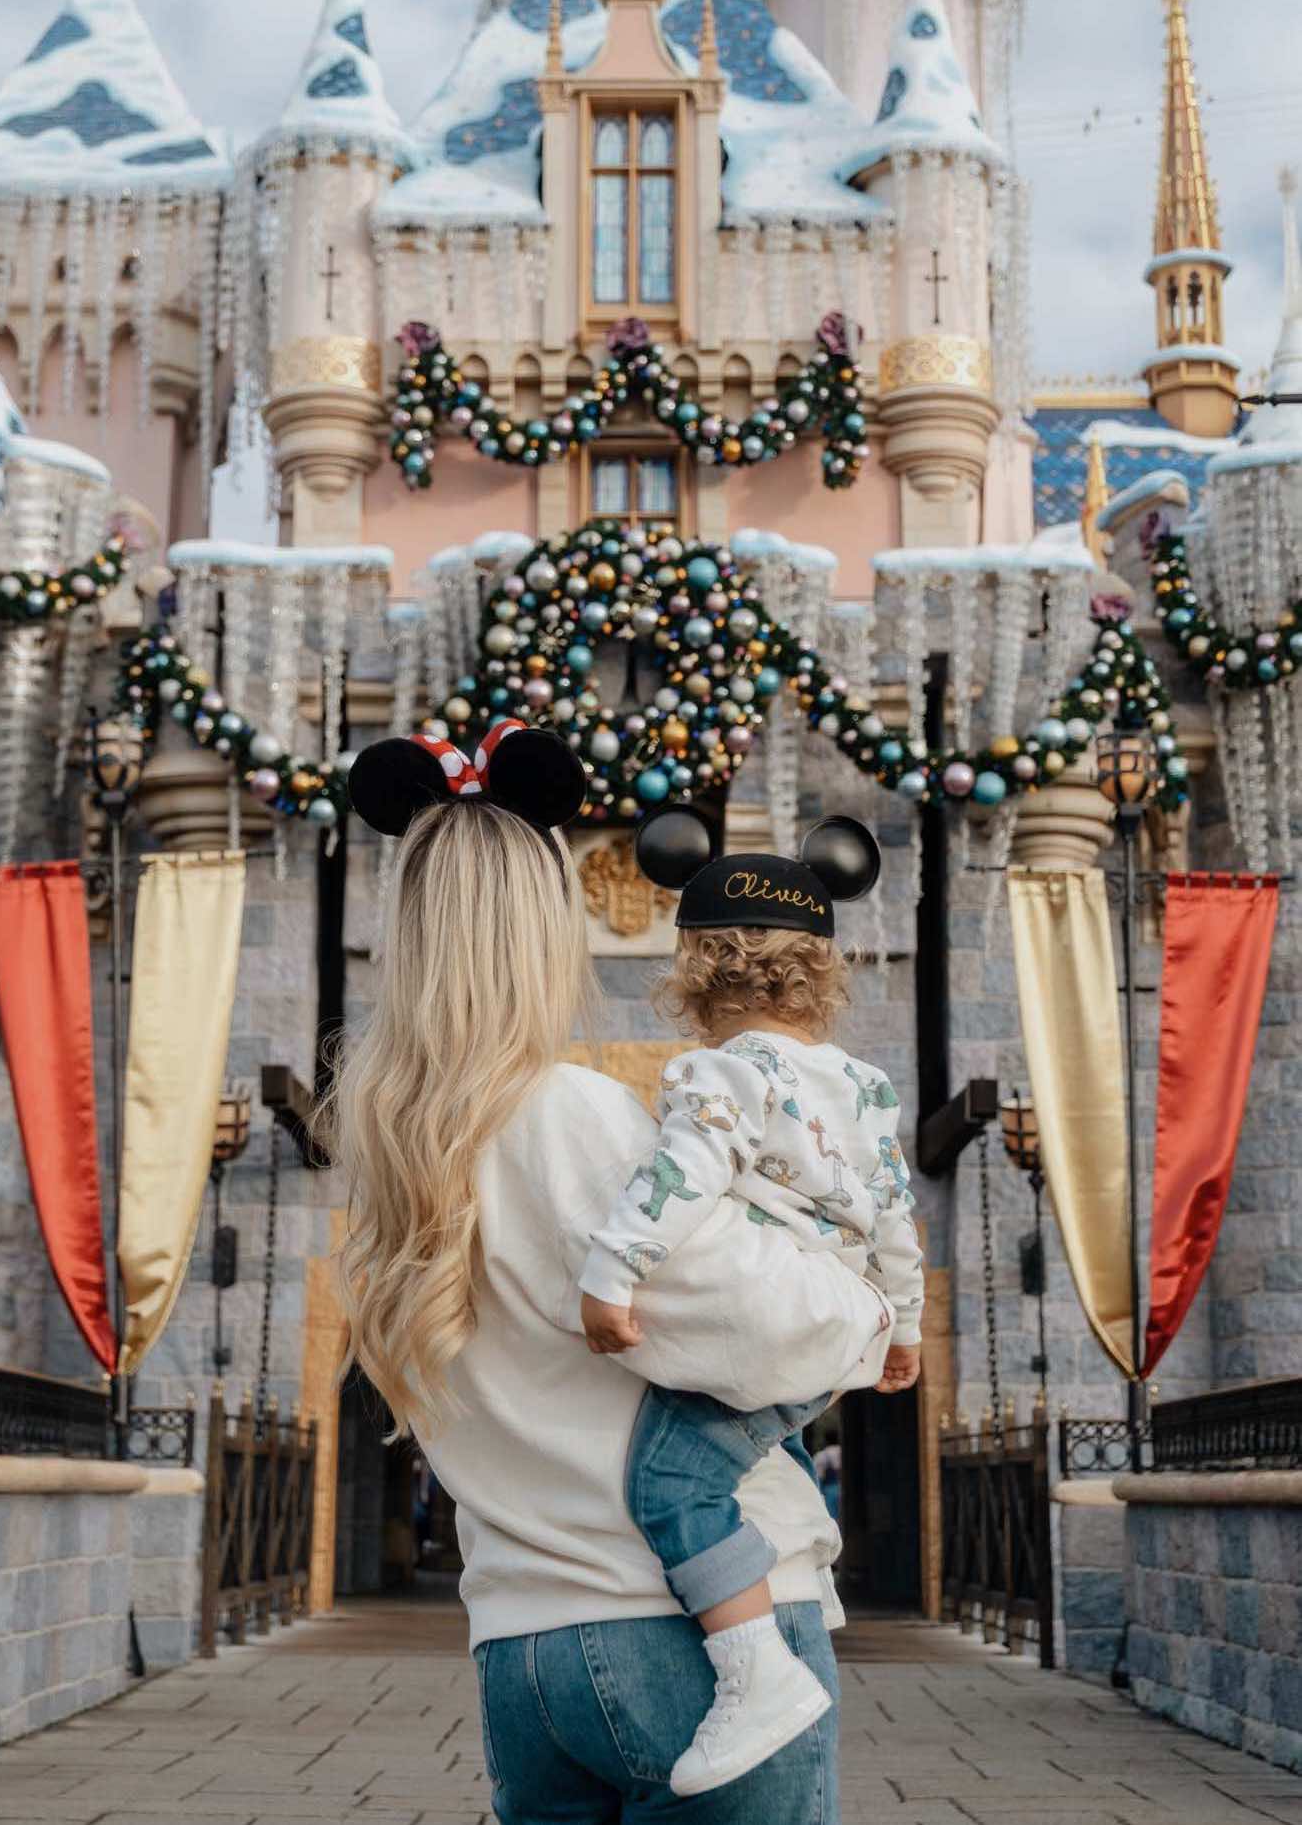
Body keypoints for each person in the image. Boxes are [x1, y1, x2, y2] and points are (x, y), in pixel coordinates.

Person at [331, 721, 896, 1825]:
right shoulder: (568, 1114)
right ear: (545, 932)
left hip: (523, 1651)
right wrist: (870, 1299)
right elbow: (761, 1329)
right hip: (688, 1636)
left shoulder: (396, 1152)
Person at [578, 834, 924, 1794]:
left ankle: (754, 1670)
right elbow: (895, 1215)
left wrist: (613, 1274)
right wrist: (906, 1328)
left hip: (768, 1319)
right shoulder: (866, 1087)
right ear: (820, 975)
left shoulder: (717, 1073)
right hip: (836, 1331)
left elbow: (679, 1177)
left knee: (670, 1487)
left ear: (694, 975)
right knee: (755, 1453)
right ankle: (807, 1554)